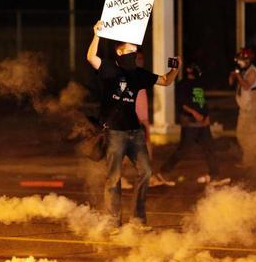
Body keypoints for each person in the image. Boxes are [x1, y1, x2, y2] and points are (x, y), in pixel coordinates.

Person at [86, 21, 181, 228]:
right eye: (130, 50)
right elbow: (91, 57)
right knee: (114, 177)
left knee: (146, 171)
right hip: (114, 132)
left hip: (135, 132)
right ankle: (113, 221)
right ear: (119, 52)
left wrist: (175, 69)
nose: (134, 53)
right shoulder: (110, 69)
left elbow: (165, 80)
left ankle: (137, 219)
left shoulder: (139, 74)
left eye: (136, 50)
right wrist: (97, 35)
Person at [160, 63, 230, 186]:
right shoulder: (183, 84)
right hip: (190, 123)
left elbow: (203, 101)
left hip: (203, 123)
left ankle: (215, 175)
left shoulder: (199, 83)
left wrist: (207, 116)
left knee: (209, 147)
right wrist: (194, 113)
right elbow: (182, 103)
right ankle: (163, 172)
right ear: (189, 70)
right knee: (184, 149)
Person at [121, 49, 174, 188]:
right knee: (127, 152)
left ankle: (148, 178)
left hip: (143, 121)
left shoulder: (142, 76)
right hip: (134, 121)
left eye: (142, 58)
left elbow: (165, 81)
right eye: (138, 58)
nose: (141, 61)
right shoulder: (128, 77)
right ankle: (119, 178)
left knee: (147, 151)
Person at [228, 46, 256, 165]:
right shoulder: (244, 71)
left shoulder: (252, 71)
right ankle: (253, 160)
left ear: (248, 60)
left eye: (241, 59)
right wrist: (233, 76)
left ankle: (252, 161)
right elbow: (231, 83)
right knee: (244, 135)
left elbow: (246, 86)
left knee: (245, 135)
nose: (239, 62)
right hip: (244, 108)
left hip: (250, 108)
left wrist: (238, 75)